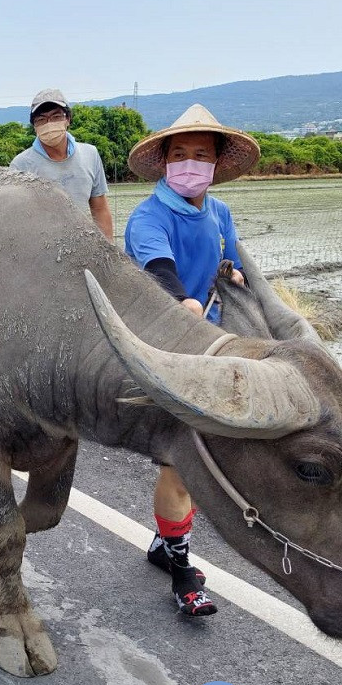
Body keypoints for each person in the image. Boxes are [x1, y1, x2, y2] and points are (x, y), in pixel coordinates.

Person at [123, 103, 261, 618]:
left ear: (216, 162)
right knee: (181, 463)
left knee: (206, 456)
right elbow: (158, 267)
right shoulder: (149, 217)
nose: (189, 164)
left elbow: (236, 263)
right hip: (171, 347)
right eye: (179, 154)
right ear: (163, 162)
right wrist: (183, 303)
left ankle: (165, 543)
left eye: (200, 155)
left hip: (216, 345)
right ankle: (182, 572)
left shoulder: (220, 212)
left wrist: (237, 277)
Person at [10, 88, 114, 240]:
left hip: (84, 243)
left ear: (68, 119)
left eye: (56, 116)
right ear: (34, 127)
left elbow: (99, 208)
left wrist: (109, 249)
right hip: (41, 246)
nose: (49, 124)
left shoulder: (90, 154)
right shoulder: (20, 165)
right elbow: (18, 220)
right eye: (41, 119)